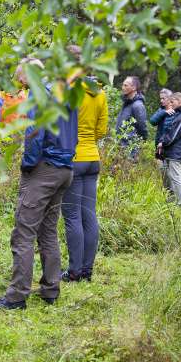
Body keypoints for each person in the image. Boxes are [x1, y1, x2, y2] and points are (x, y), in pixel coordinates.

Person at [0, 60, 78, 310]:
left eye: (22, 80)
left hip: (44, 170)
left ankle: (16, 297)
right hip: (65, 169)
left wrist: (27, 166)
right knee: (48, 232)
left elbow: (34, 136)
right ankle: (51, 289)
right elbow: (74, 133)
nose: (21, 85)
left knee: (23, 233)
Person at [60, 60, 108, 282]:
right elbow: (102, 130)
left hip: (74, 157)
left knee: (72, 217)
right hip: (93, 157)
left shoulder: (70, 91)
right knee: (89, 215)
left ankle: (75, 271)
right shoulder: (100, 93)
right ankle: (87, 270)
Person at [158, 92, 181, 208]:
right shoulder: (177, 114)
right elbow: (168, 132)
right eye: (169, 102)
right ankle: (174, 200)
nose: (170, 104)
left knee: (176, 176)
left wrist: (163, 143)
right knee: (171, 176)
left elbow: (174, 135)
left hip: (176, 151)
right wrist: (162, 141)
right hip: (171, 150)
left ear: (180, 102)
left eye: (172, 101)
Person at [114, 76, 147, 158]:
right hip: (120, 146)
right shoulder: (126, 103)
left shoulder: (137, 105)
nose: (123, 87)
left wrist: (136, 144)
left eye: (126, 85)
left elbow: (142, 128)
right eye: (123, 85)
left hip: (130, 149)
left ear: (134, 87)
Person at [149, 88, 173, 157]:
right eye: (160, 98)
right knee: (160, 166)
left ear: (170, 98)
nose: (161, 101)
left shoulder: (175, 111)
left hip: (169, 147)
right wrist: (164, 113)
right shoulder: (161, 110)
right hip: (158, 145)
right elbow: (152, 121)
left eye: (163, 98)